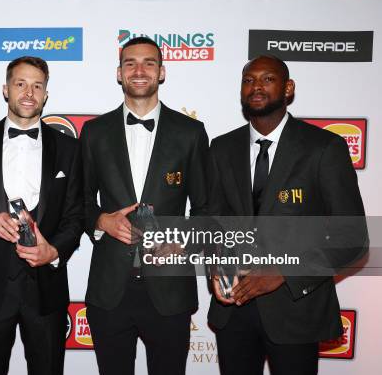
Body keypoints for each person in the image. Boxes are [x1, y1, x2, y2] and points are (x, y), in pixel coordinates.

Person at [207, 55, 368, 375]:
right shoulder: (221, 147)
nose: (256, 87)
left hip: (295, 309)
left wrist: (283, 273)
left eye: (267, 79)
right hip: (233, 312)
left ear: (288, 88)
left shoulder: (324, 147)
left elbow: (353, 239)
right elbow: (213, 221)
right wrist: (217, 267)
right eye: (249, 80)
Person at [81, 36, 209, 375]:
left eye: (149, 63)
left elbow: (206, 209)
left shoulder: (191, 133)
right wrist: (100, 221)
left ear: (162, 72)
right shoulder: (94, 132)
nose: (139, 70)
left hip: (170, 290)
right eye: (130, 63)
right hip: (110, 289)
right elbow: (77, 201)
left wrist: (181, 243)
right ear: (118, 73)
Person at [0, 56, 83, 375]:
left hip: (46, 292)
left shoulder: (70, 149)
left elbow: (76, 215)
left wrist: (53, 251)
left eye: (37, 85)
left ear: (46, 94)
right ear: (5, 90)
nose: (28, 92)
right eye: (20, 84)